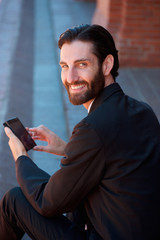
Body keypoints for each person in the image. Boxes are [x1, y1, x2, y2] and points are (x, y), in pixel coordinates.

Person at [0, 24, 160, 240]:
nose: (71, 77)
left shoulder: (93, 128)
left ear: (107, 65)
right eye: (64, 66)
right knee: (74, 194)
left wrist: (21, 157)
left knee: (14, 200)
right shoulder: (142, 110)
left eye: (81, 64)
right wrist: (69, 148)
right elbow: (117, 160)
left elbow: (47, 202)